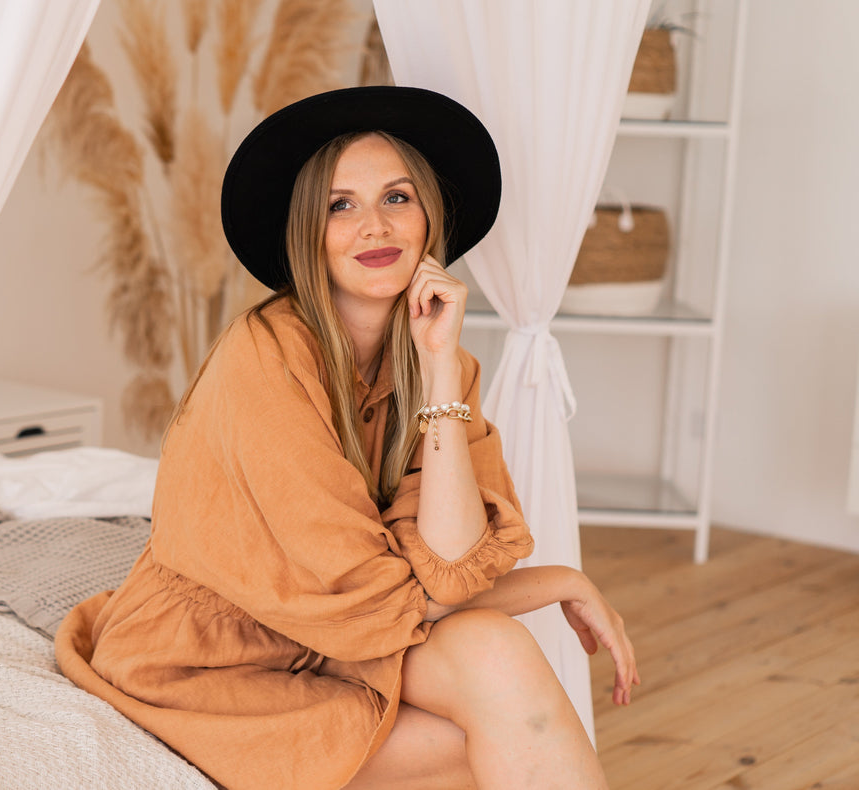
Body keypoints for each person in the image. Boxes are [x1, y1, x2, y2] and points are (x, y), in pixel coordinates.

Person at [56, 86, 640, 790]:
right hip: (214, 663)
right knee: (475, 742)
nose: (375, 227)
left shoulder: (438, 363)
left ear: (430, 220)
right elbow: (372, 603)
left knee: (497, 653)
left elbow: (452, 568)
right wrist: (560, 581)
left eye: (397, 198)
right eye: (342, 205)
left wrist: (438, 376)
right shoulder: (264, 359)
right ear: (310, 231)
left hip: (331, 646)